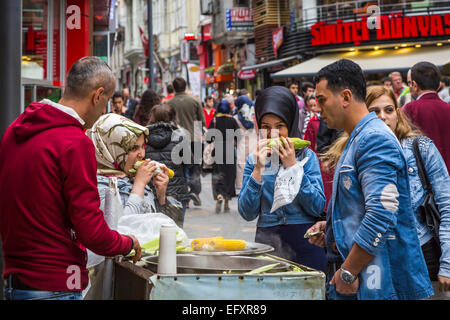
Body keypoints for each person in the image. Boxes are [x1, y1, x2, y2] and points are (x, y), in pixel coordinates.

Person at [0, 56, 141, 300]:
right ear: (97, 96)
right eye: (106, 101)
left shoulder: (14, 130)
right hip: (55, 285)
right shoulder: (75, 143)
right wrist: (128, 243)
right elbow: (91, 231)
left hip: (16, 282)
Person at [306, 59, 433, 300]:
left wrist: (348, 272)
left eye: (322, 100)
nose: (317, 108)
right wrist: (332, 227)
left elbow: (381, 214)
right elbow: (361, 208)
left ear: (345, 97)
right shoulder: (358, 138)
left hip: (380, 284)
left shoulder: (374, 139)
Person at [365, 86, 450, 298]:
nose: (382, 117)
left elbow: (447, 205)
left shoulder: (421, 148)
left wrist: (447, 263)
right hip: (377, 258)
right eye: (374, 111)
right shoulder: (356, 153)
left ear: (397, 113)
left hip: (423, 254)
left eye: (388, 110)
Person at [238, 86, 327, 272]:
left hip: (305, 240)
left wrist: (293, 168)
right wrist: (257, 171)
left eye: (280, 126)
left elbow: (317, 206)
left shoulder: (307, 157)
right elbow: (247, 213)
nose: (273, 134)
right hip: (267, 242)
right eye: (266, 127)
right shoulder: (254, 160)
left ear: (291, 124)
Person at [144, 104, 191, 227]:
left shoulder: (143, 137)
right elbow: (189, 163)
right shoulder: (180, 136)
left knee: (153, 233)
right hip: (176, 192)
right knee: (176, 234)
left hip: (150, 192)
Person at [402, 61, 450, 173]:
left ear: (414, 84)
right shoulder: (448, 108)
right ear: (438, 85)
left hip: (424, 175)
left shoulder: (409, 109)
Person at [167, 77, 205, 206]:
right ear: (185, 86)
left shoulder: (170, 103)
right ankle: (195, 191)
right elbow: (202, 121)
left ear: (174, 87)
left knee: (180, 169)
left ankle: (184, 198)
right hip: (194, 138)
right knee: (195, 167)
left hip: (177, 140)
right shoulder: (194, 101)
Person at [207, 100, 240, 213]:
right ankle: (226, 202)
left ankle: (219, 195)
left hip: (218, 151)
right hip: (230, 151)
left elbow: (208, 138)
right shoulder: (232, 120)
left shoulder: (215, 120)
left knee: (218, 175)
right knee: (229, 177)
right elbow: (239, 137)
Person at [233, 93, 257, 192]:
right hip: (254, 145)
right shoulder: (255, 117)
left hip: (241, 145)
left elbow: (235, 135)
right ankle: (254, 185)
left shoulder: (235, 118)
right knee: (254, 165)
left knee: (241, 166)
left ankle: (241, 187)